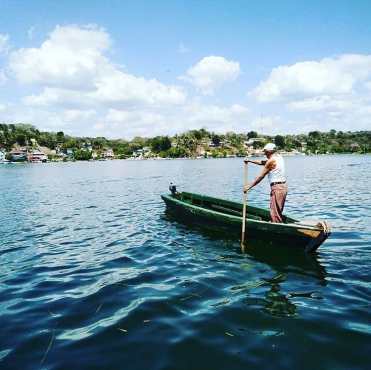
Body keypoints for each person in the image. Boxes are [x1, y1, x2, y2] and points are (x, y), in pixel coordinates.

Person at [244, 143, 287, 223]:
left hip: (277, 188)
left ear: (270, 152)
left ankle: (276, 229)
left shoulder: (271, 161)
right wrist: (250, 161)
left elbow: (260, 176)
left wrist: (249, 187)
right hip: (282, 187)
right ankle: (276, 224)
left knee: (275, 214)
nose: (264, 153)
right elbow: (263, 162)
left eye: (265, 152)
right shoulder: (279, 157)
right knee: (276, 211)